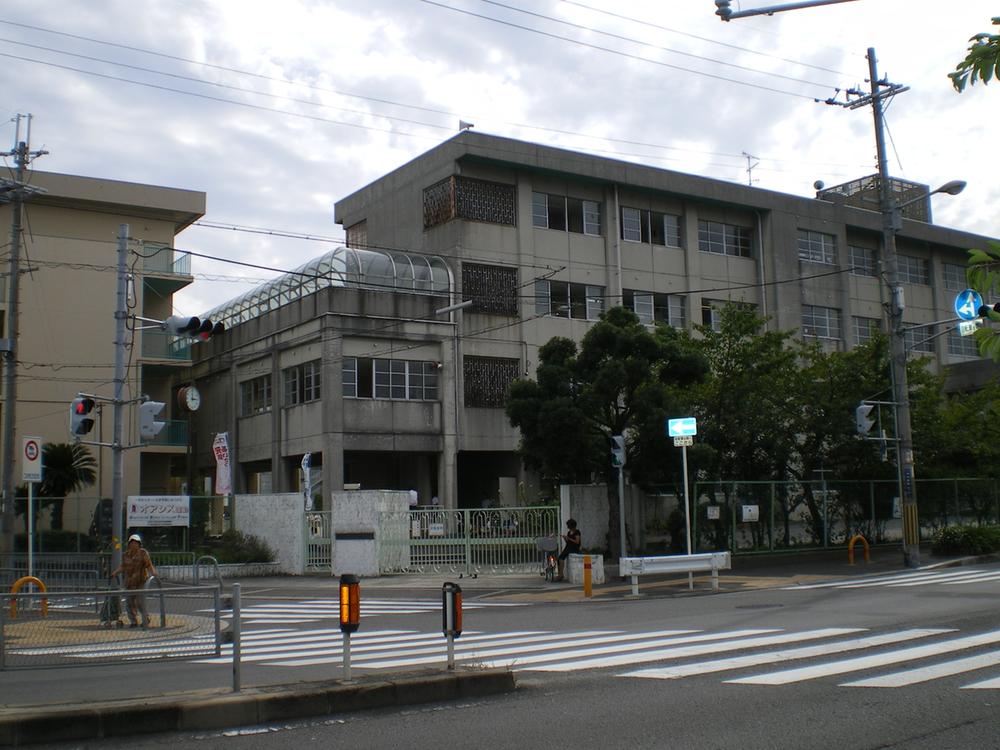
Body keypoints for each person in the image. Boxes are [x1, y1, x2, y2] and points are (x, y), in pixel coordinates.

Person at [111, 533, 158, 627]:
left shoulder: (143, 553)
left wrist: (153, 572)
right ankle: (133, 621)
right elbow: (123, 566)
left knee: (140, 602)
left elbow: (149, 564)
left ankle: (145, 619)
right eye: (131, 543)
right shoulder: (126, 555)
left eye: (136, 543)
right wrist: (115, 572)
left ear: (139, 544)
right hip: (129, 582)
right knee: (129, 602)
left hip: (141, 581)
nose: (133, 544)